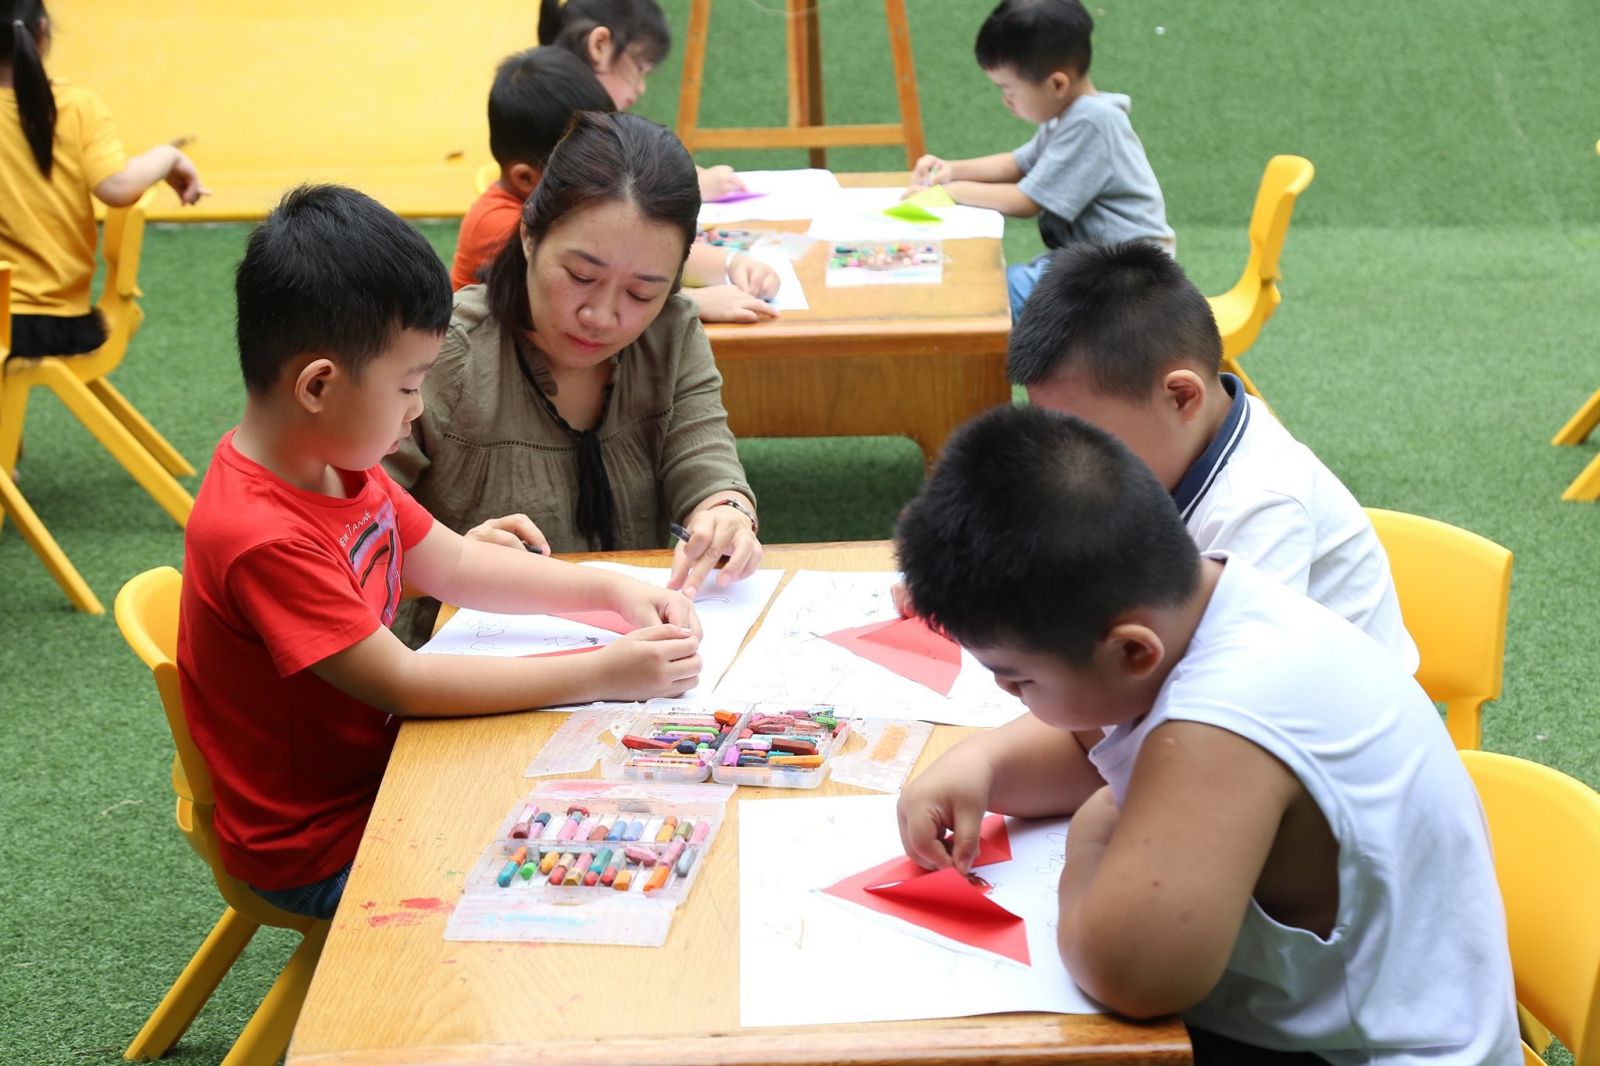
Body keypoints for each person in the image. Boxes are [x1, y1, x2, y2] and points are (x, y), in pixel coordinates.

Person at [894, 406, 1520, 1064]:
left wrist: (1095, 837)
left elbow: (1133, 975)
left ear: (1132, 651)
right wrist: (981, 765)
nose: (1007, 694)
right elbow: (1091, 739)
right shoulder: (1206, 601)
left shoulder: (1223, 718)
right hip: (1337, 1012)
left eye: (1020, 680)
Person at [179, 184, 705, 919]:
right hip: (327, 847)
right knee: (588, 871)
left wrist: (608, 591)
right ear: (319, 385)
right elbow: (407, 684)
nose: (417, 409)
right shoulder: (262, 535)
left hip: (389, 772)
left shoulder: (334, 461)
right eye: (407, 386)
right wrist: (604, 672)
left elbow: (454, 563)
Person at [386, 111, 764, 648]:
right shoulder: (444, 352)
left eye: (641, 293)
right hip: (466, 672)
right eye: (582, 276)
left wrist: (727, 512)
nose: (602, 317)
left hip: (635, 661)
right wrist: (451, 559)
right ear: (529, 235)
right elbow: (343, 528)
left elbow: (703, 458)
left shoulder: (671, 331)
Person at [1007, 240, 1418, 670]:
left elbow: (1239, 685)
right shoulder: (1181, 448)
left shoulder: (1262, 503)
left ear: (1182, 397)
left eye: (1089, 437)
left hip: (1315, 706)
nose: (1068, 458)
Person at [454, 45, 779, 324]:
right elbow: (630, 261)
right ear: (525, 178)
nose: (607, 176)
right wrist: (695, 302)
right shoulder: (498, 224)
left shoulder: (557, 203)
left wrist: (731, 263)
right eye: (581, 275)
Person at [906, 0, 1173, 319]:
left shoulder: (1092, 122)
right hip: (1095, 264)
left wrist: (950, 193)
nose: (1006, 101)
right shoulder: (1068, 116)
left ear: (1057, 84)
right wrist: (951, 170)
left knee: (995, 296)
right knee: (997, 281)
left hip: (1129, 280)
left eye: (1009, 90)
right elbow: (1016, 164)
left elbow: (1025, 200)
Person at [0, 0, 206, 357]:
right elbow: (118, 187)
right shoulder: (78, 107)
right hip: (65, 325)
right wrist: (168, 156)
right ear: (42, 33)